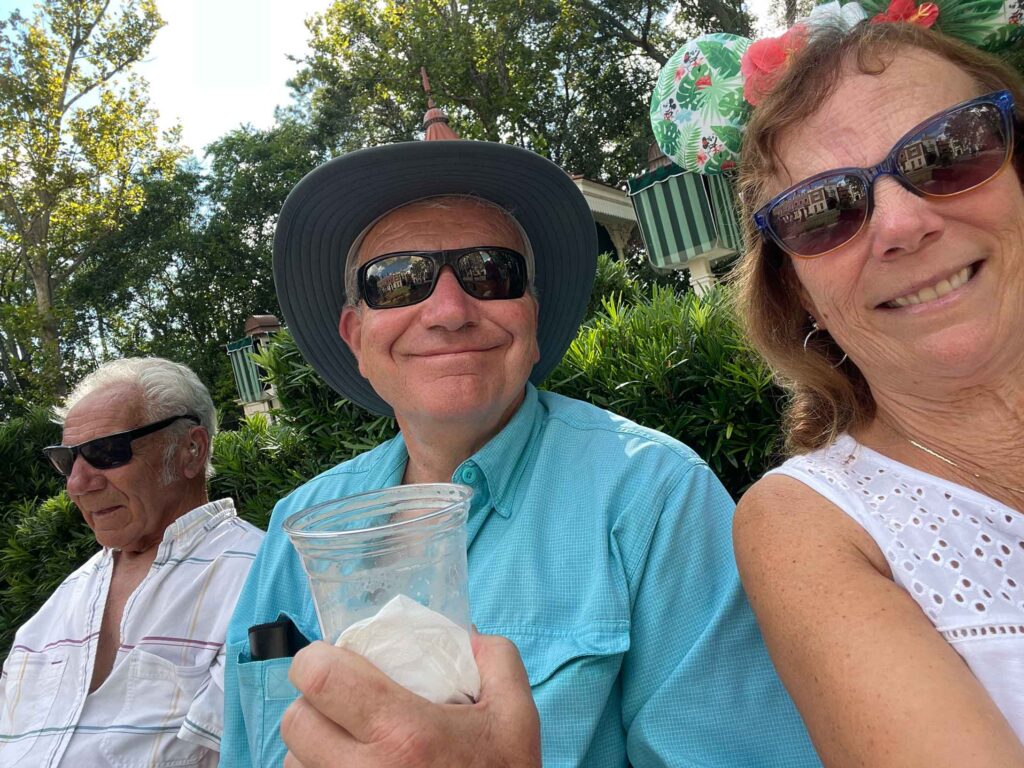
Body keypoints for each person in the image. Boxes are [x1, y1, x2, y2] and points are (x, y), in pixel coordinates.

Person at [220, 109, 820, 767]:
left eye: (489, 273)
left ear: (530, 316)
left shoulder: (652, 496)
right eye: (397, 280)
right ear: (355, 337)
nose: (449, 311)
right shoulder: (295, 527)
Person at [731, 19, 1024, 768]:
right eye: (824, 210)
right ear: (797, 293)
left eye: (950, 152)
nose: (900, 224)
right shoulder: (812, 524)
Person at [0, 358, 264, 767]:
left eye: (106, 451)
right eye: (67, 460)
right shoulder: (57, 607)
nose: (77, 484)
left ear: (191, 450)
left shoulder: (261, 577)